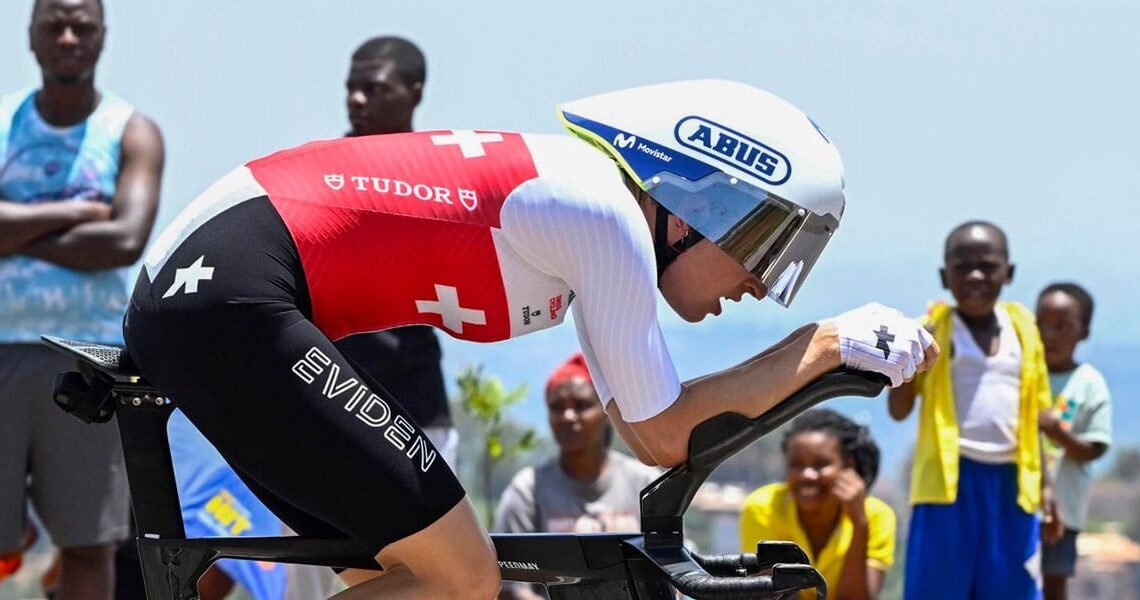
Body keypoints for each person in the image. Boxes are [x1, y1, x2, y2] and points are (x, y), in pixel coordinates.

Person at [123, 79, 937, 598]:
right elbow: (663, 435)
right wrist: (824, 343)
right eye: (764, 245)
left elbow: (649, 430)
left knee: (398, 579)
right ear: (698, 206)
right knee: (462, 578)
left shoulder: (589, 215)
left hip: (211, 287)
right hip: (228, 289)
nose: (762, 282)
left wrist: (816, 345)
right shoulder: (604, 216)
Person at [0, 0, 164, 598]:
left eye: (82, 26)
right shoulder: (3, 122)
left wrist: (15, 231)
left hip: (88, 356)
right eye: (54, 26)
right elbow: (102, 231)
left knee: (89, 542)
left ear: (101, 37)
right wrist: (77, 212)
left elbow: (124, 240)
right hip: (2, 348)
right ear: (31, 36)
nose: (68, 37)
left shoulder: (131, 131)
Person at [888, 221, 1052, 600]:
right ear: (944, 277)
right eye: (962, 268)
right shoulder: (930, 331)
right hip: (948, 486)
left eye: (987, 266)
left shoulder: (1024, 328)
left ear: (1008, 273)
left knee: (1013, 588)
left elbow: (1036, 417)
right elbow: (899, 410)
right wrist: (908, 362)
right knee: (938, 588)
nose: (975, 276)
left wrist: (1046, 486)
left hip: (1013, 485)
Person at [334, 35, 456, 467]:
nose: (356, 99)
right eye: (351, 87)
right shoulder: (321, 175)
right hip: (330, 393)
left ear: (414, 92)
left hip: (416, 398)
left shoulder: (442, 180)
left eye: (374, 88)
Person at [494, 353, 659, 600]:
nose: (568, 416)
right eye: (557, 408)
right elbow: (510, 586)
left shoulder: (645, 484)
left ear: (607, 412)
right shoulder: (528, 489)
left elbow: (672, 572)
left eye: (581, 405)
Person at [739, 408, 895, 600]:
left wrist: (859, 525)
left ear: (848, 466)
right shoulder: (763, 508)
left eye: (821, 464)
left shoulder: (876, 516)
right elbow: (774, 595)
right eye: (796, 464)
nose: (807, 475)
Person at [1035, 283, 1112, 600]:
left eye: (1062, 326)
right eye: (1043, 324)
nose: (1049, 335)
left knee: (1053, 583)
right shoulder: (1023, 374)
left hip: (1063, 512)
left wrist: (1057, 433)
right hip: (1016, 506)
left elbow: (1093, 448)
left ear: (1084, 332)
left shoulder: (1089, 383)